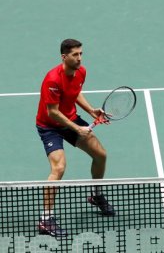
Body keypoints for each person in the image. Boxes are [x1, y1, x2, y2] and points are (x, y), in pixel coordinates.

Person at [36, 39, 115, 237]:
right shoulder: (52, 79)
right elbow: (52, 112)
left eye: (81, 54)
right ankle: (46, 219)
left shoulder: (81, 72)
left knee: (101, 155)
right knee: (59, 168)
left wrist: (91, 111)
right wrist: (77, 129)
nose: (79, 58)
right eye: (75, 55)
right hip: (50, 127)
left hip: (70, 119)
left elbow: (75, 93)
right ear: (64, 57)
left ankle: (96, 196)